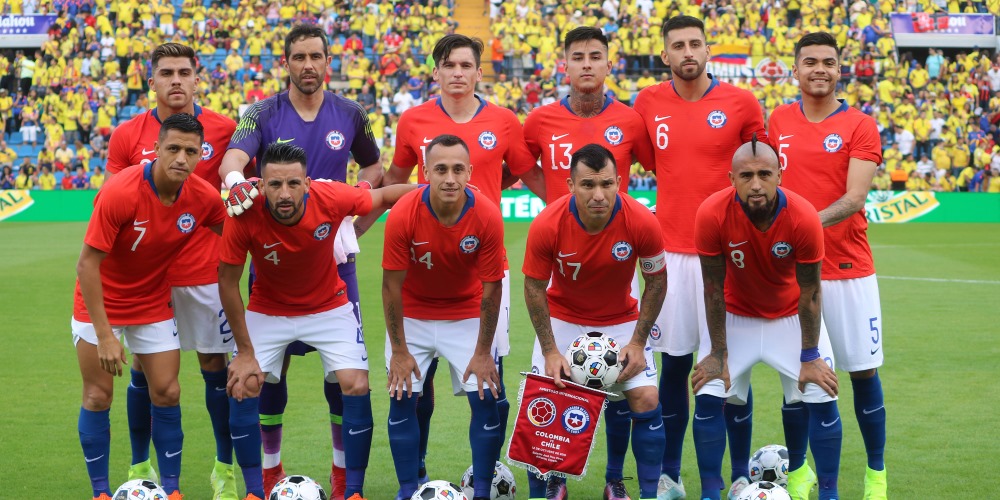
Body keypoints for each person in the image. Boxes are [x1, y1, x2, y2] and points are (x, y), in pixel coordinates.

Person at [359, 33, 542, 484]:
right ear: (435, 72)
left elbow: (526, 173)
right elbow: (394, 183)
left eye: (466, 65)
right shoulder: (413, 120)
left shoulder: (503, 121)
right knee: (415, 392)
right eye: (449, 65)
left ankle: (487, 477)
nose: (457, 72)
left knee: (490, 389)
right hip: (423, 270)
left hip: (480, 270)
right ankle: (415, 474)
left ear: (480, 72)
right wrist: (353, 227)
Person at [218, 23, 383, 497]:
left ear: (328, 62)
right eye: (299, 57)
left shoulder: (350, 113)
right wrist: (237, 186)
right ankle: (269, 472)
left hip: (334, 263)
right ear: (285, 63)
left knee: (343, 379)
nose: (308, 65)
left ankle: (340, 476)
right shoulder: (260, 113)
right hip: (272, 259)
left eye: (316, 56)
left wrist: (353, 219)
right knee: (266, 376)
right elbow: (233, 161)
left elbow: (373, 166)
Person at [219, 142, 416, 500]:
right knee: (243, 384)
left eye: (293, 184)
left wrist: (435, 190)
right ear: (260, 186)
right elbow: (228, 283)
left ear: (308, 183)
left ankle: (349, 487)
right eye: (274, 184)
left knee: (355, 385)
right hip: (268, 309)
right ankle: (255, 487)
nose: (284, 193)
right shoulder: (244, 214)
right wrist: (245, 351)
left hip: (329, 306)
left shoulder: (331, 197)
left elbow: (385, 195)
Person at [103, 42, 256, 500]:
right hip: (146, 278)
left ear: (196, 78)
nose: (175, 80)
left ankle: (222, 469)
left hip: (205, 274)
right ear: (151, 80)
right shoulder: (127, 135)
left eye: (184, 72)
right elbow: (111, 204)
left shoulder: (226, 130)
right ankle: (139, 465)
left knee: (215, 368)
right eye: (165, 72)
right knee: (143, 374)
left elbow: (237, 192)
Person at [631, 15, 767, 499]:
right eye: (677, 46)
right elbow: (648, 161)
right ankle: (670, 475)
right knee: (672, 365)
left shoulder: (742, 103)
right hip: (668, 255)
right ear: (664, 55)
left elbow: (762, 177)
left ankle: (738, 479)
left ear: (707, 50)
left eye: (695, 44)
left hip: (729, 255)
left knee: (733, 368)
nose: (687, 52)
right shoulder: (647, 102)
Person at [73, 113, 226, 500]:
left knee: (168, 391)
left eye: (191, 151)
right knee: (97, 396)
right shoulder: (122, 191)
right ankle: (101, 493)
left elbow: (239, 235)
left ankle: (171, 491)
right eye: (173, 148)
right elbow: (87, 264)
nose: (181, 158)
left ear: (199, 156)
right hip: (100, 302)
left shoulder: (203, 198)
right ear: (156, 149)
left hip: (152, 301)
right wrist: (106, 336)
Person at [768, 31, 885, 500]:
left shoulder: (860, 124)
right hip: (791, 276)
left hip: (848, 269)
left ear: (840, 70)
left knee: (862, 373)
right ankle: (799, 473)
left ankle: (876, 475)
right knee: (798, 380)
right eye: (810, 61)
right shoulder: (776, 121)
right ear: (794, 70)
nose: (819, 69)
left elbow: (856, 197)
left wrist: (802, 225)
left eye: (828, 63)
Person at [691, 138, 841, 500]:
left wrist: (809, 355)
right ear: (731, 178)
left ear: (779, 175)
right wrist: (718, 353)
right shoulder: (711, 213)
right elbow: (712, 288)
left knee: (822, 391)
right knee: (709, 391)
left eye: (764, 174)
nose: (755, 184)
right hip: (735, 317)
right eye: (746, 175)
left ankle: (829, 494)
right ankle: (712, 491)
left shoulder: (803, 216)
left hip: (791, 317)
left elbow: (811, 292)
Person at [522, 144, 666, 500]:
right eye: (587, 185)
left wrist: (636, 342)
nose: (598, 195)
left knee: (644, 397)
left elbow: (657, 281)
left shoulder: (642, 220)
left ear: (620, 182)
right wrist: (550, 349)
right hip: (564, 320)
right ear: (570, 185)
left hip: (620, 321)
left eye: (606, 184)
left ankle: (621, 484)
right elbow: (534, 287)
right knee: (544, 399)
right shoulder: (548, 223)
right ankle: (553, 480)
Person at [381, 135, 505, 500]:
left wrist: (483, 353)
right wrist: (400, 352)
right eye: (440, 169)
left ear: (470, 171)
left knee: (485, 397)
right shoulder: (404, 212)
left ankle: (482, 492)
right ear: (425, 172)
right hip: (414, 314)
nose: (449, 178)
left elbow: (492, 289)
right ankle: (407, 490)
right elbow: (390, 288)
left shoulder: (485, 214)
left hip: (465, 313)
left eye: (457, 169)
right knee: (402, 396)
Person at [523, 26, 654, 204]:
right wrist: (555, 200)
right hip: (560, 230)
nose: (587, 64)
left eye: (595, 57)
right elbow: (519, 168)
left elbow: (663, 170)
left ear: (608, 67)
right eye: (578, 58)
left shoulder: (631, 121)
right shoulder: (538, 120)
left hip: (615, 231)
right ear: (566, 67)